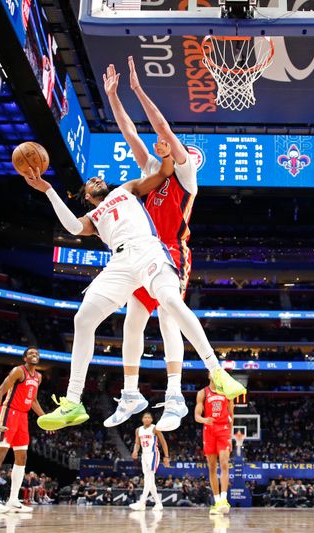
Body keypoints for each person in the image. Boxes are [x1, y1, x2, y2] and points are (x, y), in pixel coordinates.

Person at [22, 144, 246, 432]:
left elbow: (165, 172)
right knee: (83, 318)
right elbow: (73, 228)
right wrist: (48, 190)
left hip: (149, 250)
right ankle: (74, 402)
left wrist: (166, 154)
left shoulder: (126, 189)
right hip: (120, 262)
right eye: (90, 183)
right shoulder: (94, 218)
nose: (96, 180)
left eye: (97, 179)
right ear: (88, 197)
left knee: (171, 302)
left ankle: (216, 371)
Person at [101, 58, 199, 432]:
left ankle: (175, 397)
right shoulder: (148, 172)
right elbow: (128, 130)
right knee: (132, 324)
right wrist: (113, 96)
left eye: (169, 145)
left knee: (168, 319)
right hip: (144, 253)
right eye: (160, 143)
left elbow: (162, 126)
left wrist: (139, 90)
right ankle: (131, 393)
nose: (160, 142)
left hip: (174, 253)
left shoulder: (186, 176)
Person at [0, 347, 45, 513]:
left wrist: (46, 419)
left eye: (37, 354)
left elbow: (32, 401)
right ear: (25, 357)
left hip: (23, 417)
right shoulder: (18, 371)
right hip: (8, 413)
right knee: (0, 455)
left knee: (22, 457)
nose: (35, 355)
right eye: (31, 353)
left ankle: (13, 500)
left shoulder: (39, 376)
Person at [195, 372, 234, 515]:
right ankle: (217, 502)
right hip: (209, 430)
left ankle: (224, 500)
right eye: (213, 372)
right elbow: (197, 415)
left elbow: (232, 415)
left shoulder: (228, 393)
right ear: (209, 376)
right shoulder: (202, 393)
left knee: (224, 463)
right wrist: (204, 420)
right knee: (212, 467)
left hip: (223, 429)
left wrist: (230, 433)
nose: (216, 374)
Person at [130, 412, 169, 511]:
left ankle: (142, 502)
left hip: (153, 454)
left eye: (149, 417)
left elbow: (163, 442)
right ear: (142, 419)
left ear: (152, 419)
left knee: (148, 478)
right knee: (149, 480)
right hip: (144, 455)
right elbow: (137, 443)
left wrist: (166, 456)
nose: (147, 419)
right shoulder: (138, 430)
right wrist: (135, 451)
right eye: (145, 417)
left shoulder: (155, 428)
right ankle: (158, 503)